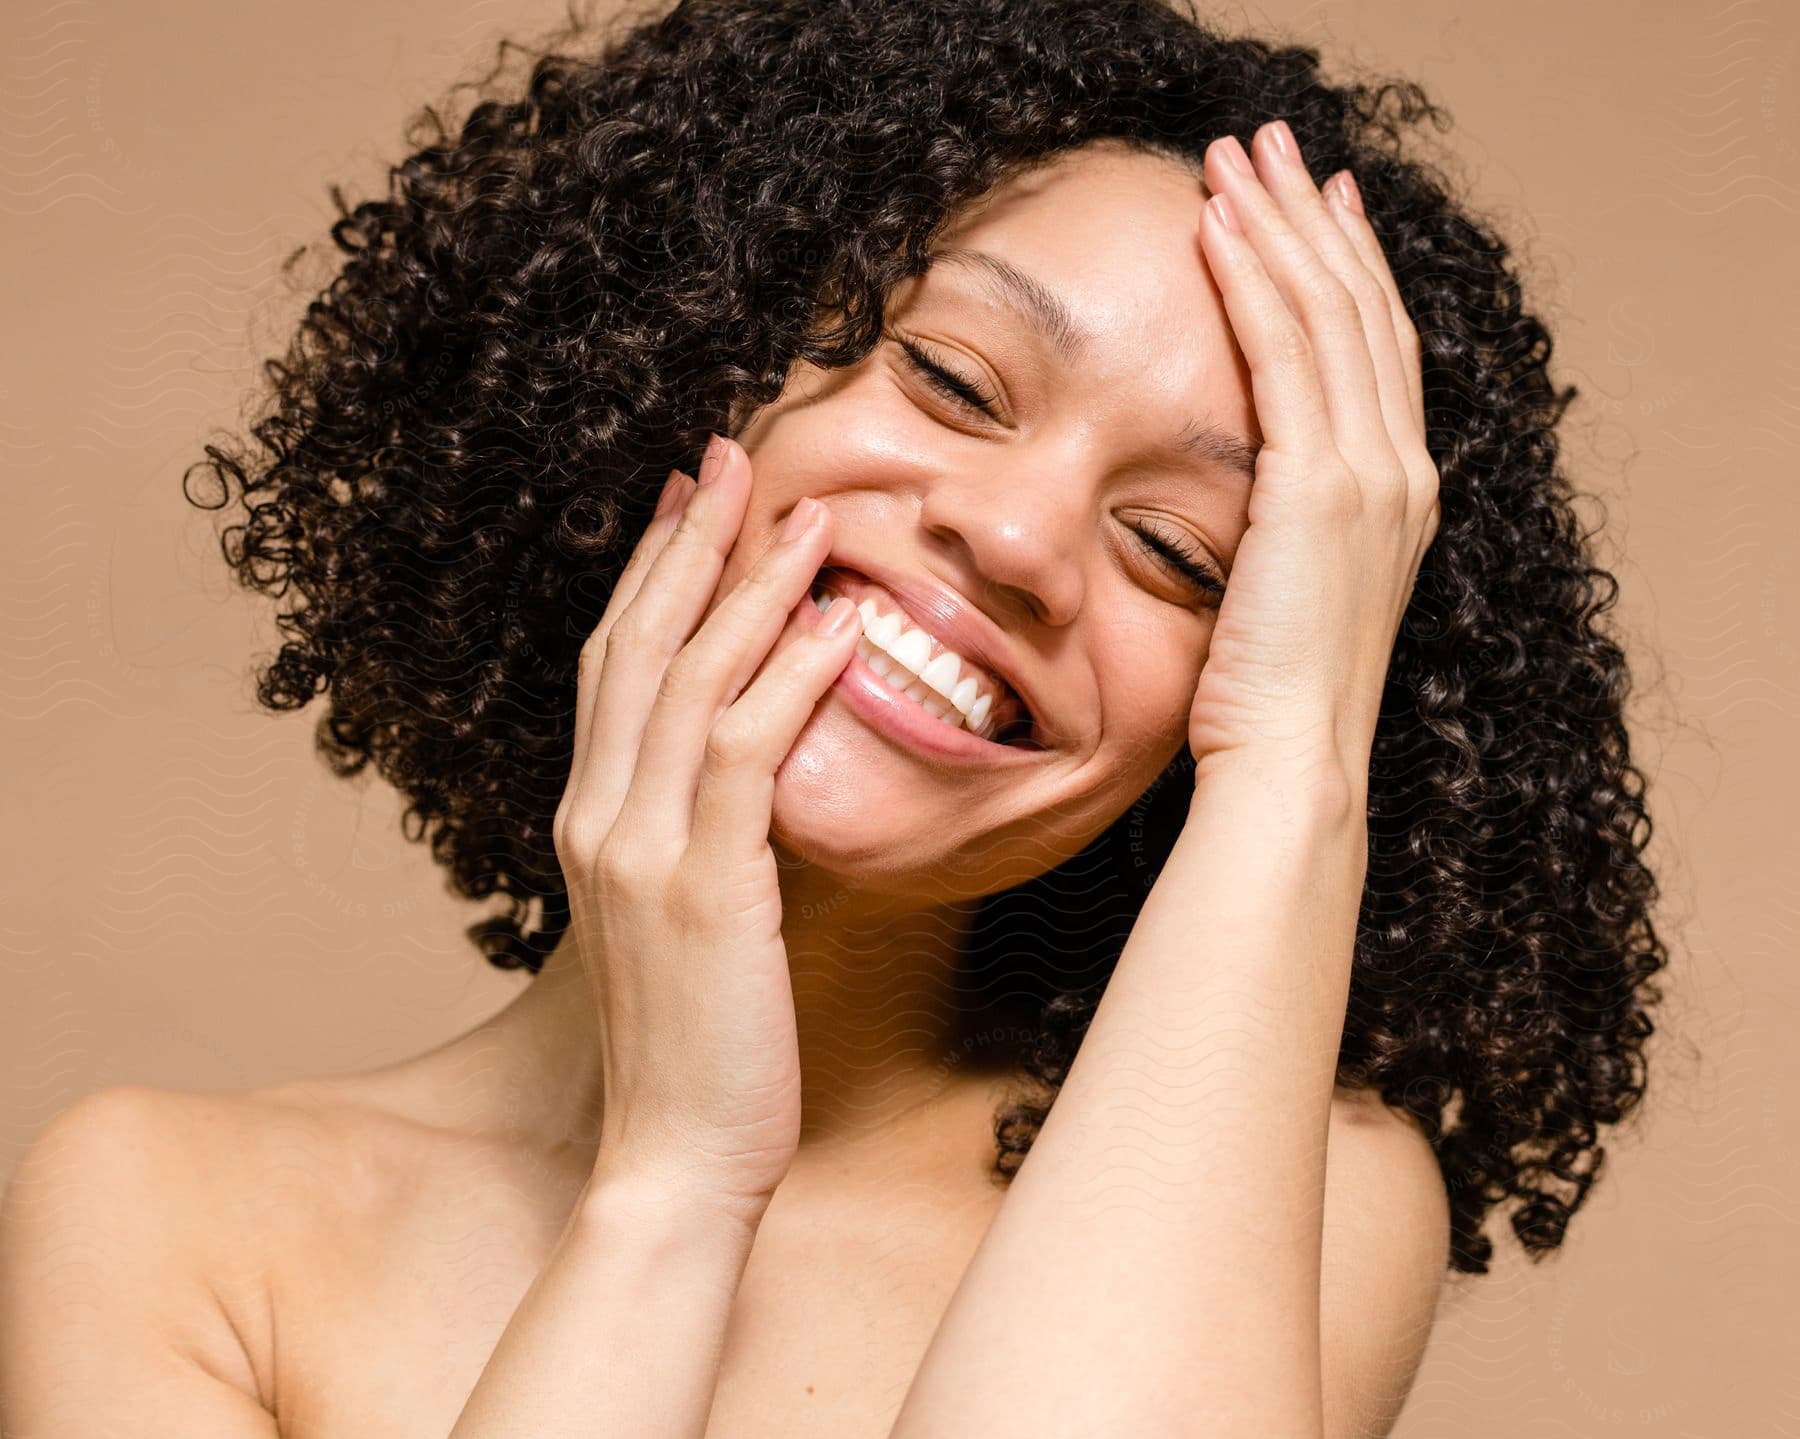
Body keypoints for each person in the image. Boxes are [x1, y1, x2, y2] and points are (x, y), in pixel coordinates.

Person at [0, 0, 1668, 1434]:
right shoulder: (167, 1222)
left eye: (1183, 554)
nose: (1016, 542)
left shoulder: (1304, 1202)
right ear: (679, 359)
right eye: (952, 381)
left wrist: (1301, 758)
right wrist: (672, 1187)